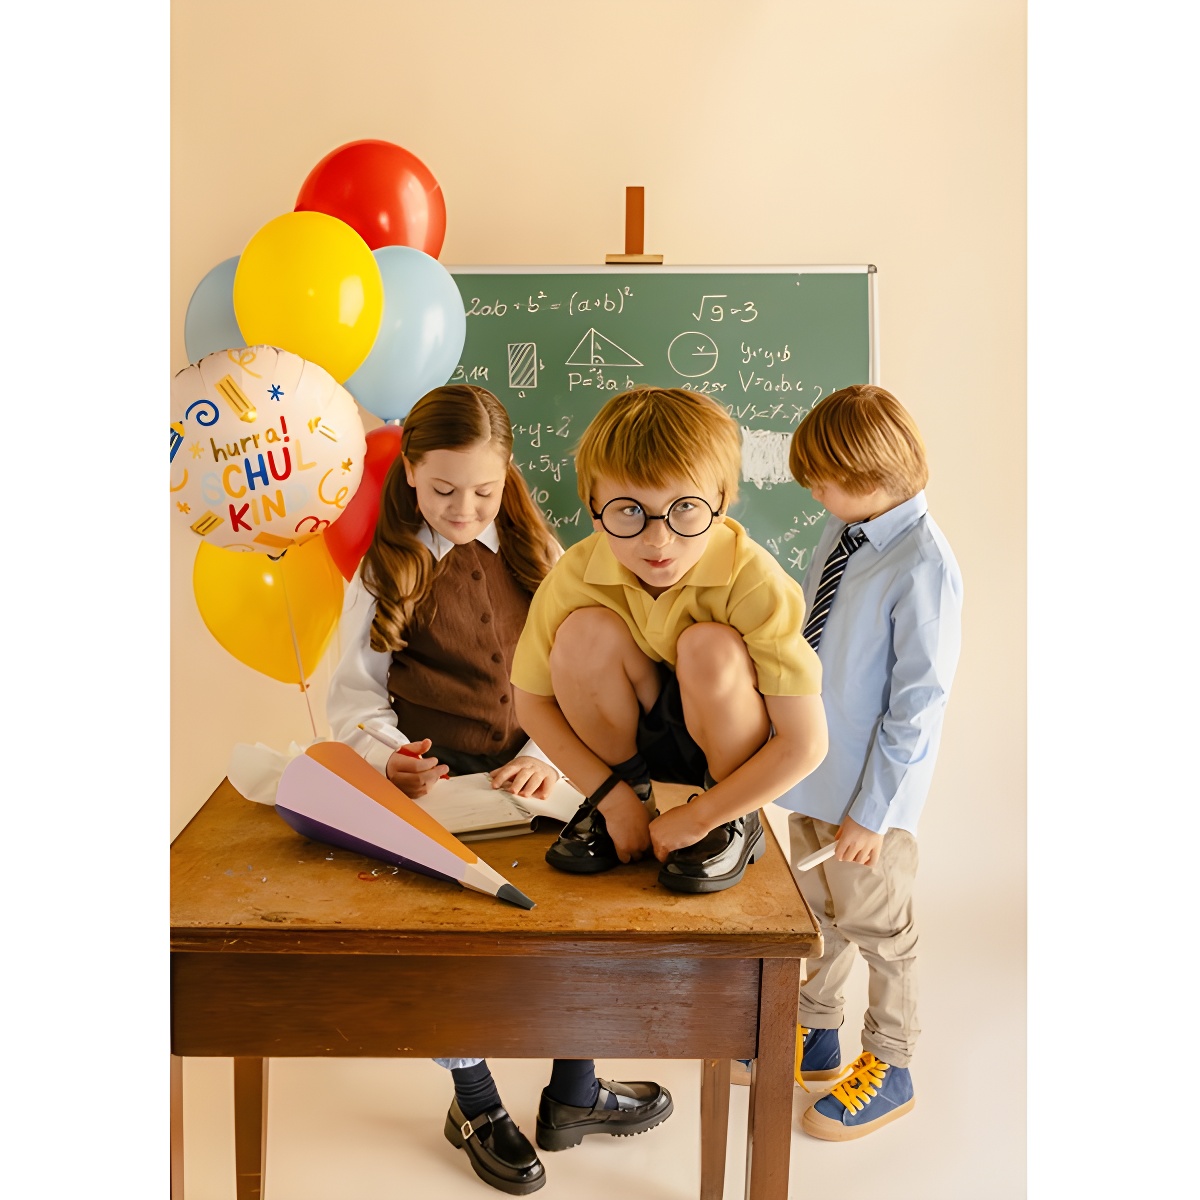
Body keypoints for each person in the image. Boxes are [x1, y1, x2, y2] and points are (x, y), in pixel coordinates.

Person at [326, 385, 673, 1195]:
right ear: (410, 474)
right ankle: (476, 1102)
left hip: (538, 778)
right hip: (442, 791)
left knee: (583, 913)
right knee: (454, 937)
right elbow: (354, 701)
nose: (463, 508)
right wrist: (392, 759)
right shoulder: (384, 571)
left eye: (482, 491)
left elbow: (573, 678)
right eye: (443, 490)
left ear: (508, 474)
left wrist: (547, 756)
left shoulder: (538, 552)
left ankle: (575, 1090)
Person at [511, 386, 829, 892]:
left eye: (684, 507)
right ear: (593, 509)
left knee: (709, 647)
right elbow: (531, 701)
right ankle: (629, 794)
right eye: (628, 510)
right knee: (582, 633)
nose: (658, 539)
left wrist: (702, 815)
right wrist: (612, 797)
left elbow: (806, 742)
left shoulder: (755, 581)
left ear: (720, 503)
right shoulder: (575, 574)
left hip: (726, 749)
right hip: (632, 737)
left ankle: (732, 820)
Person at [779, 384, 963, 1140]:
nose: (813, 493)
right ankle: (817, 1030)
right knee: (818, 916)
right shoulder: (845, 529)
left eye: (822, 479)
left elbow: (918, 705)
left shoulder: (923, 563)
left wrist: (872, 813)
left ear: (869, 472)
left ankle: (893, 1064)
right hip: (814, 774)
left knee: (882, 932)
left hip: (867, 799)